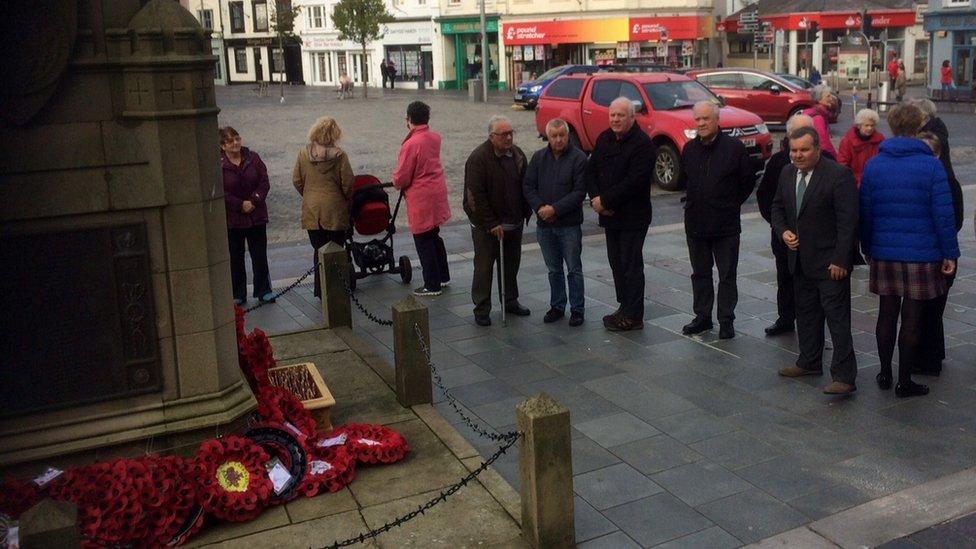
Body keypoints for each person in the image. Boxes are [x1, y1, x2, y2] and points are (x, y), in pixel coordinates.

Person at [859, 103, 959, 397]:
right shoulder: (931, 165)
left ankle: (884, 372)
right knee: (912, 317)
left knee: (886, 313)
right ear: (918, 129)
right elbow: (943, 214)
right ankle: (905, 380)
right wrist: (949, 253)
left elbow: (866, 211)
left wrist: (867, 245)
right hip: (922, 253)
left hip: (885, 251)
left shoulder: (874, 164)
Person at [772, 126, 859, 395]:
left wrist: (841, 260)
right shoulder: (787, 173)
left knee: (837, 320)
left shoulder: (837, 175)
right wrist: (783, 231)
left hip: (830, 264)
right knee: (806, 315)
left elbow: (849, 222)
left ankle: (844, 376)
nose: (798, 155)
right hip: (799, 261)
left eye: (804, 150)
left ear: (818, 149)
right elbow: (777, 206)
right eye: (794, 150)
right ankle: (808, 361)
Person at [680, 101, 755, 339]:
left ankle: (726, 320)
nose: (701, 123)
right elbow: (687, 181)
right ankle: (702, 316)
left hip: (725, 224)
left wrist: (730, 203)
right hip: (696, 223)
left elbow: (747, 180)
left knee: (726, 274)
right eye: (698, 119)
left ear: (717, 120)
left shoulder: (734, 148)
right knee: (700, 273)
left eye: (706, 119)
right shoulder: (689, 149)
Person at [585, 97, 656, 332]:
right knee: (616, 264)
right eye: (612, 115)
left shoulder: (642, 144)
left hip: (633, 217)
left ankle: (634, 315)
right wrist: (597, 200)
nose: (615, 119)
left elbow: (634, 182)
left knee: (631, 265)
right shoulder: (604, 138)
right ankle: (624, 306)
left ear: (632, 117)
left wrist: (605, 201)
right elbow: (591, 171)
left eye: (621, 115)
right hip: (610, 216)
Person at [913, 98, 965, 376]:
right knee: (930, 310)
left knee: (929, 311)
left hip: (938, 255)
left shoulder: (946, 182)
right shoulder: (943, 177)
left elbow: (954, 221)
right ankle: (932, 356)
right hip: (936, 253)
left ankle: (928, 361)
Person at [463, 115, 531, 326]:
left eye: (511, 133)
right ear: (492, 136)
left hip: (513, 222)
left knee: (511, 264)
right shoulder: (478, 158)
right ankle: (482, 307)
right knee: (484, 266)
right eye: (504, 134)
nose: (509, 138)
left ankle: (510, 300)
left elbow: (525, 185)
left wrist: (525, 211)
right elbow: (474, 196)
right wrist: (491, 223)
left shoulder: (517, 155)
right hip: (486, 226)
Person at [523, 118, 588, 326]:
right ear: (547, 137)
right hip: (545, 225)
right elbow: (528, 186)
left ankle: (577, 309)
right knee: (553, 269)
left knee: (573, 269)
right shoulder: (539, 158)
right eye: (554, 136)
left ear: (567, 136)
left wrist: (555, 209)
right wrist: (540, 207)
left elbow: (579, 191)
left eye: (562, 135)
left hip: (569, 224)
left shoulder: (578, 158)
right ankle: (557, 305)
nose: (558, 140)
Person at [757, 114, 816, 336]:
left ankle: (811, 321)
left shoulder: (825, 161)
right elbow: (766, 198)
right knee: (785, 276)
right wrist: (779, 227)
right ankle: (786, 317)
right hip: (784, 236)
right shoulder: (779, 162)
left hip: (813, 238)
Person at [392, 101, 452, 296]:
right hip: (436, 190)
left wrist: (395, 181)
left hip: (421, 196)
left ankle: (431, 284)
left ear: (408, 119)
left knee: (422, 239)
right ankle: (443, 276)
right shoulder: (434, 137)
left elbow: (402, 176)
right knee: (434, 235)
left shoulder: (411, 144)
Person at [292, 116, 354, 298]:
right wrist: (343, 199)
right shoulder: (340, 156)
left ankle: (320, 290)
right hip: (334, 209)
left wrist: (309, 194)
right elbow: (348, 184)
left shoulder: (303, 154)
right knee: (335, 249)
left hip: (312, 210)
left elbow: (296, 180)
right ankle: (336, 290)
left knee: (318, 250)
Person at [220, 126, 274, 306]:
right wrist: (239, 204)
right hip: (233, 219)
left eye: (236, 138)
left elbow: (264, 182)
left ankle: (264, 290)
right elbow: (220, 191)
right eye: (230, 141)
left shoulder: (254, 158)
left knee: (259, 255)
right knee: (235, 257)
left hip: (256, 215)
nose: (235, 143)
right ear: (223, 146)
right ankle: (238, 293)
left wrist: (254, 200)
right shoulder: (219, 165)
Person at [837, 108, 884, 187]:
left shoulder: (880, 140)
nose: (870, 128)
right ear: (859, 126)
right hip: (853, 182)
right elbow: (842, 165)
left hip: (875, 180)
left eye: (872, 125)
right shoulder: (847, 142)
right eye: (866, 125)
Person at [802, 85, 838, 159]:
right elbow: (824, 143)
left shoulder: (822, 113)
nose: (831, 98)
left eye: (831, 95)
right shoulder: (818, 117)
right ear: (819, 99)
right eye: (828, 96)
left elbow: (834, 115)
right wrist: (835, 158)